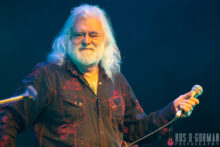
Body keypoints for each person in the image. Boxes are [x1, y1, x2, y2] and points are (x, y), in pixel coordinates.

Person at [0, 4, 199, 147]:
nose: (86, 40)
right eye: (79, 34)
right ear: (68, 40)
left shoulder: (117, 81)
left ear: (105, 41)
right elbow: (8, 118)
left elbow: (136, 130)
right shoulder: (47, 75)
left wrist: (172, 109)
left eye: (94, 34)